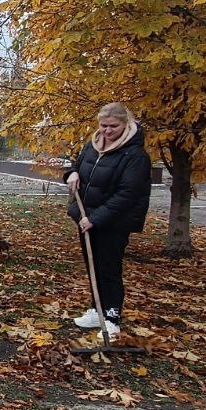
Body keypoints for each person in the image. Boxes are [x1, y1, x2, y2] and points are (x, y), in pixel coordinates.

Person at [64, 102, 152, 340]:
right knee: (93, 266)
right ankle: (96, 310)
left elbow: (127, 194)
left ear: (125, 124)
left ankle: (112, 317)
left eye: (113, 126)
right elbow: (77, 165)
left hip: (114, 221)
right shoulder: (92, 145)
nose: (107, 131)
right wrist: (71, 173)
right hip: (86, 216)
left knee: (109, 269)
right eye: (103, 125)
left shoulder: (134, 155)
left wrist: (96, 218)